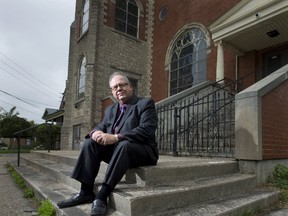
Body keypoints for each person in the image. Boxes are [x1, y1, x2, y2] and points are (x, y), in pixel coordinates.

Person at [57, 72, 159, 216]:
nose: (119, 89)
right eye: (115, 87)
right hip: (119, 153)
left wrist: (116, 137)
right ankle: (85, 192)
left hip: (143, 152)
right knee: (89, 143)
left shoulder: (144, 104)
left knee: (124, 144)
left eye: (122, 85)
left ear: (130, 87)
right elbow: (102, 125)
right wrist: (95, 133)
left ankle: (102, 195)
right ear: (112, 91)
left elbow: (147, 130)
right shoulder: (111, 109)